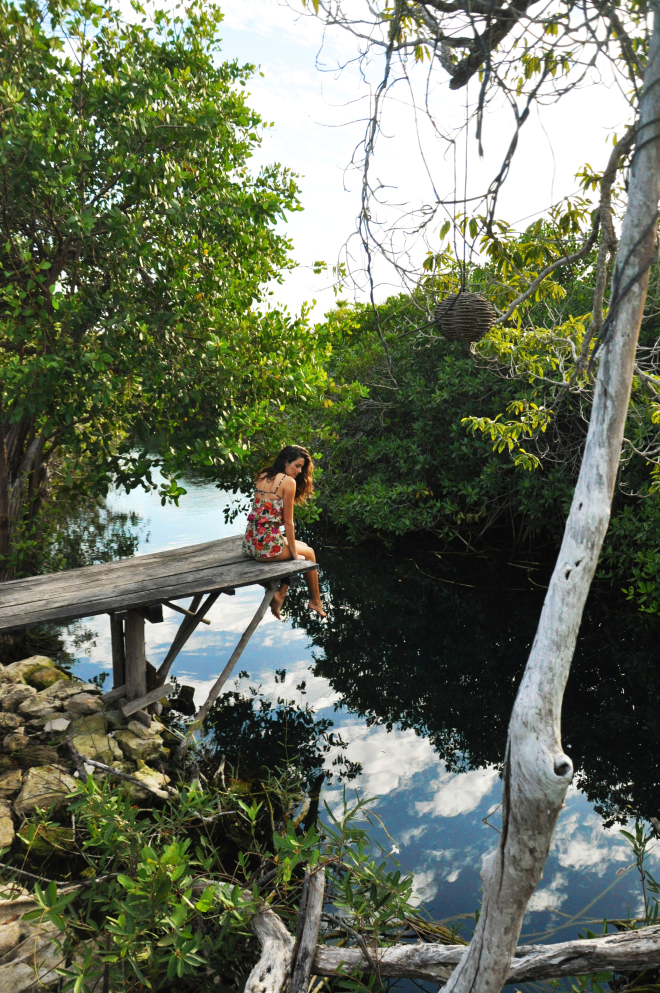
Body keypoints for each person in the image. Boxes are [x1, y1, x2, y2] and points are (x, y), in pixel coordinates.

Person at [242, 445, 327, 619]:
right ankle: (315, 602)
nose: (299, 470)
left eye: (301, 467)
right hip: (265, 549)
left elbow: (263, 516)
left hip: (252, 542)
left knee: (301, 545)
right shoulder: (288, 482)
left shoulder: (263, 475)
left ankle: (281, 593)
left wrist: (292, 548)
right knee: (309, 553)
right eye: (297, 465)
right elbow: (288, 523)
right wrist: (295, 555)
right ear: (286, 461)